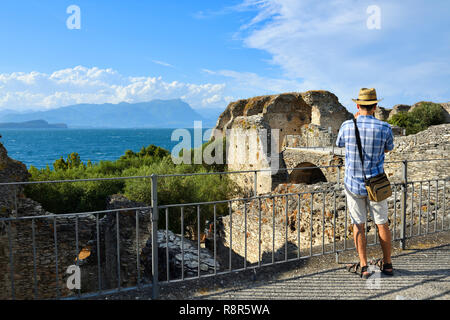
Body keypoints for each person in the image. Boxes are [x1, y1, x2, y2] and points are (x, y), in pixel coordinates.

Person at [336, 88, 394, 279]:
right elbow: (388, 149)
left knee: (358, 226)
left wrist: (354, 120)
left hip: (353, 185)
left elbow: (340, 144)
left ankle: (364, 266)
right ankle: (387, 265)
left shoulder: (346, 125)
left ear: (357, 105)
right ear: (376, 106)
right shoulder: (385, 127)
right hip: (376, 185)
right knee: (382, 224)